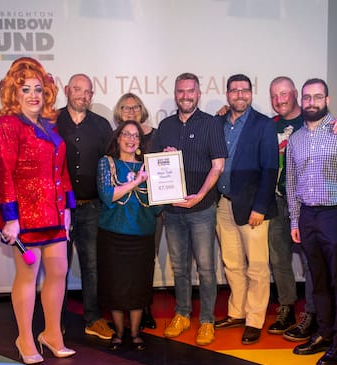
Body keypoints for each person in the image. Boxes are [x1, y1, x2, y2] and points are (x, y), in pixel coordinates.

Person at [0, 57, 75, 364]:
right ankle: (25, 338)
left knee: (59, 272)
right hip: (25, 218)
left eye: (38, 89)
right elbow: (2, 172)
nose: (33, 95)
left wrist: (67, 207)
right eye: (25, 89)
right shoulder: (7, 125)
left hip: (54, 214)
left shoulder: (49, 127)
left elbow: (61, 170)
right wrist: (10, 218)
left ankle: (52, 334)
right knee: (27, 276)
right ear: (14, 93)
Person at [151, 73, 227, 346]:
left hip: (202, 209)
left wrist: (199, 196)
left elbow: (218, 166)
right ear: (175, 94)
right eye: (181, 91)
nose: (185, 96)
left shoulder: (211, 124)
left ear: (198, 93)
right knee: (180, 268)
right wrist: (163, 157)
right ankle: (182, 314)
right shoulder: (165, 125)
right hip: (173, 212)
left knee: (206, 268)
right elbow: (153, 165)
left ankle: (207, 320)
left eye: (190, 91)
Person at [286, 78, 337, 365]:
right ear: (301, 101)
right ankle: (324, 334)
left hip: (335, 214)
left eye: (317, 97)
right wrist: (294, 218)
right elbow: (291, 181)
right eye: (307, 97)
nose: (311, 102)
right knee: (317, 282)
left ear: (327, 100)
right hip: (307, 216)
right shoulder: (295, 140)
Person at [213, 74, 278, 345]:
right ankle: (237, 312)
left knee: (258, 267)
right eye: (234, 90)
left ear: (251, 93)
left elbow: (270, 169)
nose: (239, 95)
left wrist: (260, 207)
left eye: (244, 90)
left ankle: (254, 319)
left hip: (253, 208)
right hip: (223, 204)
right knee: (232, 264)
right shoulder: (218, 123)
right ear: (227, 94)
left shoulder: (263, 124)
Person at [96, 120, 163, 351]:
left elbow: (157, 208)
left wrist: (167, 181)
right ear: (118, 138)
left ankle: (135, 334)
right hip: (113, 237)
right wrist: (136, 182)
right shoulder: (107, 163)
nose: (131, 139)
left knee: (138, 286)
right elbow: (107, 196)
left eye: (136, 135)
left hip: (142, 237)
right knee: (114, 286)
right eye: (126, 134)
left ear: (140, 141)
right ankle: (118, 333)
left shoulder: (149, 167)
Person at [58, 73, 115, 340]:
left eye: (88, 91)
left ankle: (93, 319)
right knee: (58, 267)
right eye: (78, 89)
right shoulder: (51, 122)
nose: (83, 95)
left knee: (92, 266)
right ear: (67, 90)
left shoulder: (102, 125)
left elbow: (111, 163)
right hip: (60, 210)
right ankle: (55, 321)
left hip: (92, 207)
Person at [113, 92, 159, 330]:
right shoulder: (114, 140)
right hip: (121, 215)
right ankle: (122, 311)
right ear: (119, 113)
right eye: (125, 108)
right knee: (120, 267)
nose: (131, 112)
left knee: (146, 262)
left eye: (135, 107)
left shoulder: (156, 136)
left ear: (142, 110)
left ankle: (144, 309)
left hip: (149, 211)